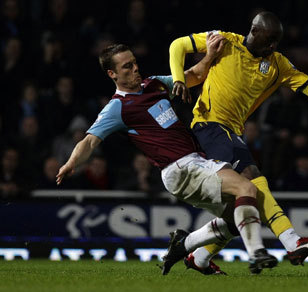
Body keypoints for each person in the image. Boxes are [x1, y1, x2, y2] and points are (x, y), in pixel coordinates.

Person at [169, 11, 308, 272]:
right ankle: (292, 242)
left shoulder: (278, 64)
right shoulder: (225, 42)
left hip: (232, 132)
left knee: (244, 207)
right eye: (269, 40)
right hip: (208, 125)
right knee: (252, 178)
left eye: (276, 42)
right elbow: (178, 45)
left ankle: (197, 256)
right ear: (254, 31)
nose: (272, 47)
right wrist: (179, 78)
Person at [55, 33, 279, 275]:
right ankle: (257, 252)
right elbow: (89, 142)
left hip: (192, 165)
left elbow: (192, 76)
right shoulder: (118, 107)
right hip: (180, 167)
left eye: (134, 62)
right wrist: (70, 163)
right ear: (113, 74)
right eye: (127, 66)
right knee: (247, 188)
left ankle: (186, 247)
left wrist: (211, 56)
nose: (135, 68)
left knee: (238, 217)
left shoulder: (153, 84)